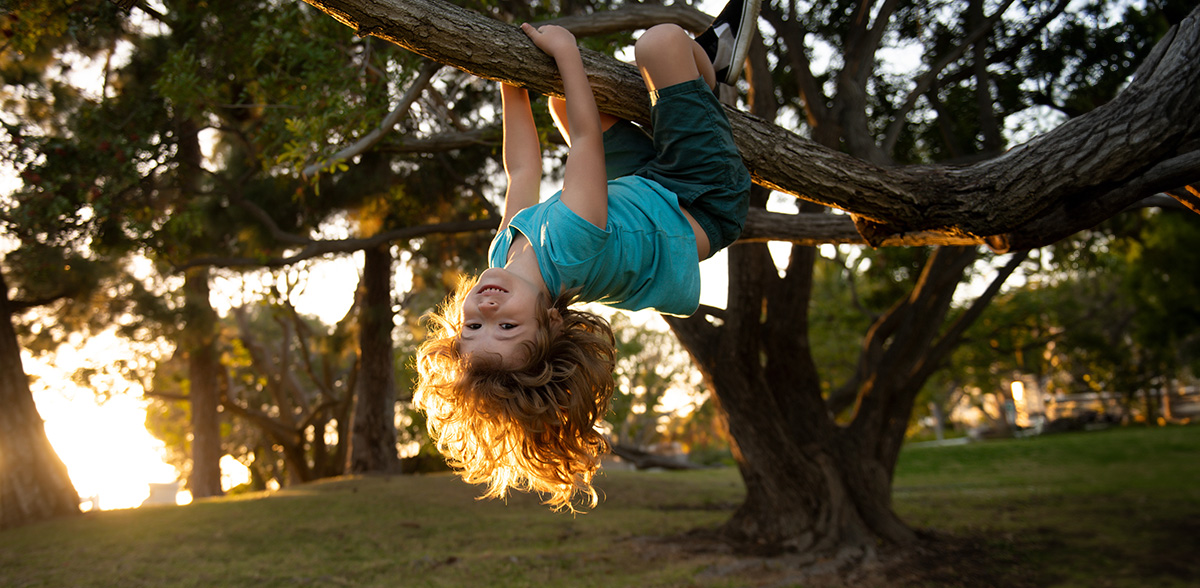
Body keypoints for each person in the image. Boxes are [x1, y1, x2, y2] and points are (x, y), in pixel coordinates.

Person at [414, 0, 759, 511]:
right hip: (702, 198)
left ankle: (689, 86)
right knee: (659, 44)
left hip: (641, 188)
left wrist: (509, 82)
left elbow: (522, 170)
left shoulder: (504, 255)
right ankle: (713, 61)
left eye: (472, 330)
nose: (485, 314)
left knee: (558, 103)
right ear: (550, 323)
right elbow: (581, 143)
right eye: (506, 329)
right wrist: (565, 53)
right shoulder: (571, 251)